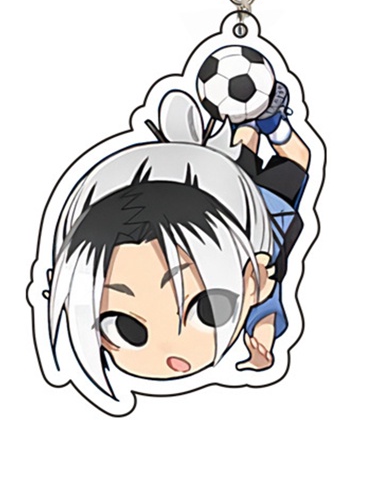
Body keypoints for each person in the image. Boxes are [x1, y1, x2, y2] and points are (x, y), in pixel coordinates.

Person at [45, 80, 309, 400]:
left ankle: (262, 121)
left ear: (256, 281)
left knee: (269, 153)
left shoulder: (233, 267)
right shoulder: (247, 274)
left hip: (227, 196)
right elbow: (265, 319)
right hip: (266, 209)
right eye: (123, 327)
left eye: (208, 310)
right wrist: (261, 352)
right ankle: (257, 120)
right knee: (282, 156)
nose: (171, 351)